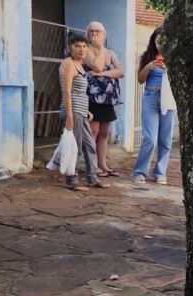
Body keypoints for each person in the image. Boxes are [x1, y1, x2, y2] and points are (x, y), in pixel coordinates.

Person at [49, 32, 109, 191]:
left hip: (80, 112)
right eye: (77, 46)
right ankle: (72, 180)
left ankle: (92, 178)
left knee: (89, 145)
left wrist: (86, 111)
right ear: (70, 48)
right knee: (73, 147)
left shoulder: (80, 65)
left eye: (84, 46)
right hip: (72, 112)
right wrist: (69, 115)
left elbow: (80, 93)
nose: (82, 49)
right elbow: (67, 92)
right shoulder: (68, 64)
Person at [133, 27, 176, 185]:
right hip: (151, 96)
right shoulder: (148, 56)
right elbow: (140, 80)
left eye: (163, 40)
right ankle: (140, 172)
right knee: (150, 138)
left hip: (168, 99)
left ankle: (160, 172)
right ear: (153, 40)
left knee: (165, 139)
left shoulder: (173, 57)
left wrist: (167, 69)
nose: (160, 43)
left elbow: (178, 81)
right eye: (157, 40)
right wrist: (147, 67)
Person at [84, 21, 124, 178]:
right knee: (93, 132)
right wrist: (100, 48)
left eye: (98, 31)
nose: (95, 34)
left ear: (104, 34)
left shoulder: (111, 53)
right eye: (92, 31)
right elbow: (97, 66)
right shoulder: (86, 51)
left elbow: (120, 72)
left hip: (108, 99)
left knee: (105, 133)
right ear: (87, 34)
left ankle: (103, 164)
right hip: (92, 98)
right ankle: (92, 166)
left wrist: (103, 75)